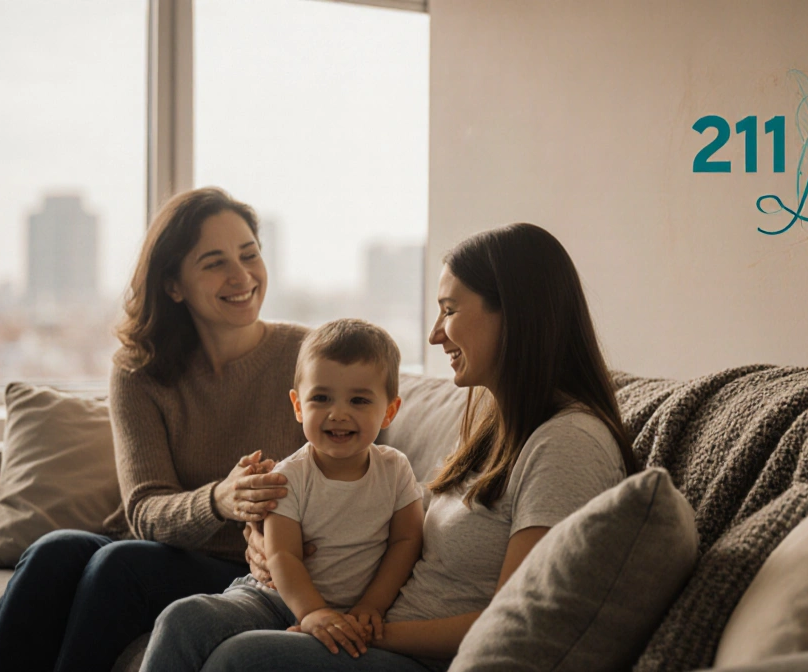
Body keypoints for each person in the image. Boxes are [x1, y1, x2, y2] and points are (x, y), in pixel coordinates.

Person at [199, 222, 638, 671]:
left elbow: (518, 620)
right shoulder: (500, 428)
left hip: (417, 655)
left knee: (241, 659)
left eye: (449, 310)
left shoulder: (567, 444)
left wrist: (360, 628)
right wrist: (268, 542)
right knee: (193, 625)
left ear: (514, 313)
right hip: (375, 632)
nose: (434, 334)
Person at [0, 187, 309, 672]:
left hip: (251, 566)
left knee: (120, 568)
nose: (241, 276)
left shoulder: (308, 356)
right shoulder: (140, 371)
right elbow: (143, 509)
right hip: (159, 547)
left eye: (250, 254)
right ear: (173, 285)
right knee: (52, 553)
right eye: (214, 262)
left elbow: (349, 478)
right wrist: (220, 498)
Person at [139, 318, 424, 672]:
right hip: (273, 599)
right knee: (182, 617)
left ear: (389, 411)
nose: (338, 413)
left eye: (359, 400)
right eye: (321, 398)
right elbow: (283, 555)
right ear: (298, 406)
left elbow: (406, 540)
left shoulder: (395, 470)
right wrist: (313, 612)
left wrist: (372, 606)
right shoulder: (289, 475)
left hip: (354, 607)